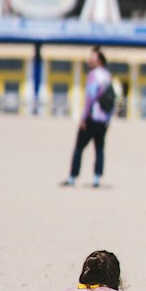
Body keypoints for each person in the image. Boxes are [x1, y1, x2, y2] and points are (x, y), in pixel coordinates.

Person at [61, 46, 114, 188]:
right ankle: (96, 178)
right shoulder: (108, 76)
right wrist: (108, 118)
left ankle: (72, 177)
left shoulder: (93, 75)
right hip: (103, 119)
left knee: (79, 147)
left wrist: (84, 118)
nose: (89, 60)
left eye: (93, 58)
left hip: (92, 117)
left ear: (100, 61)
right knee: (99, 148)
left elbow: (90, 98)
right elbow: (112, 98)